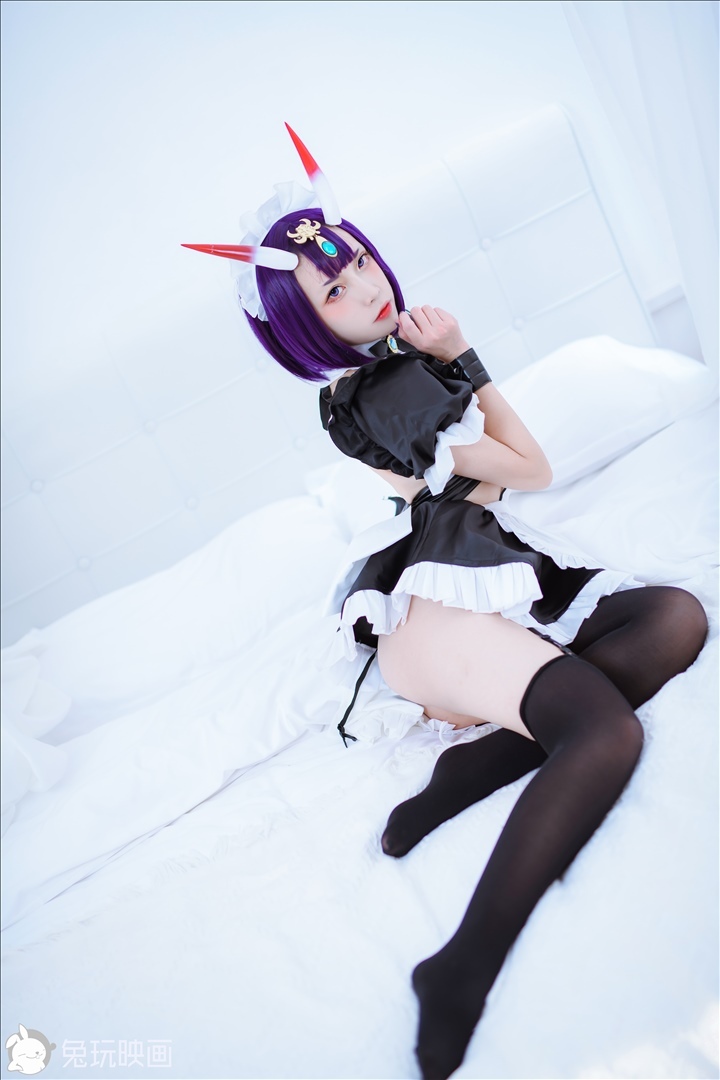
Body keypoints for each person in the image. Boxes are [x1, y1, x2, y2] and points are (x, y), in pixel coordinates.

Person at [184, 126, 708, 1080]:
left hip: (457, 583)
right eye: (331, 294)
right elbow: (530, 468)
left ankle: (477, 766)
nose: (362, 289)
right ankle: (458, 968)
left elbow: (473, 489)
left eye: (353, 264)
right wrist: (464, 355)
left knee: (672, 617)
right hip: (438, 617)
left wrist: (455, 398)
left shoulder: (370, 382)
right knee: (605, 734)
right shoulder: (393, 385)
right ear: (305, 330)